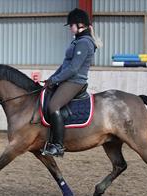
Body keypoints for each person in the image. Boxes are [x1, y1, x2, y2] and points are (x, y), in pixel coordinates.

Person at [43, 8, 100, 157]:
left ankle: (58, 145)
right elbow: (64, 66)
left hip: (75, 81)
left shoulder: (84, 43)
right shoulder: (77, 41)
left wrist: (56, 79)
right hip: (67, 79)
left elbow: (74, 69)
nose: (70, 28)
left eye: (71, 25)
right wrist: (51, 79)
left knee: (53, 105)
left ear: (80, 25)